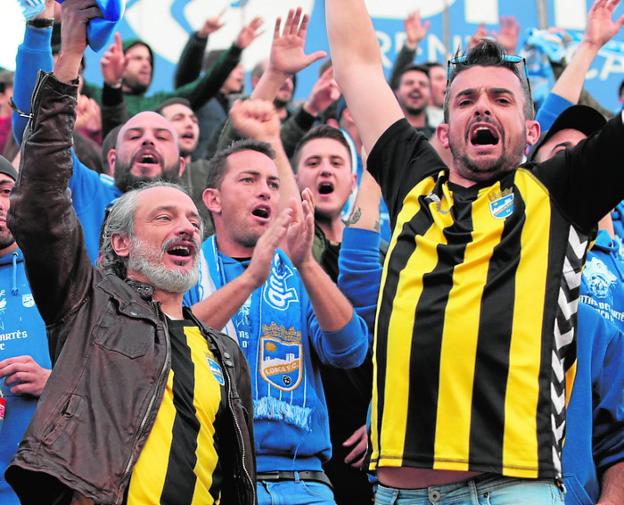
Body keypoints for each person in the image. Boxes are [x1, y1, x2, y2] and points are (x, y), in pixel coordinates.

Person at [326, 0, 624, 503]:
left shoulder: (559, 193)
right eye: (465, 100)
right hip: (398, 495)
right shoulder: (412, 178)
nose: (482, 105)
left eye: (501, 99)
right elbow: (356, 61)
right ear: (443, 132)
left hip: (512, 489)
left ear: (533, 133)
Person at [5, 4, 255, 504]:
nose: (185, 224)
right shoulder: (89, 310)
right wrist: (69, 43)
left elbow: (233, 476)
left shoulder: (225, 356)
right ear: (119, 242)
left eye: (191, 219)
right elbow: (39, 200)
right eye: (163, 217)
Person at [185, 98, 369, 505]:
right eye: (249, 180)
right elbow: (174, 346)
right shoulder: (187, 270)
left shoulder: (298, 271)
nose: (265, 191)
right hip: (215, 481)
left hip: (304, 483)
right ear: (212, 199)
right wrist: (250, 280)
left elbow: (350, 351)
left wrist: (305, 264)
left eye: (272, 183)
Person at [528, 103, 624, 504]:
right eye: (561, 151)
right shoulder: (492, 257)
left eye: (588, 151)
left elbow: (617, 431)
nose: (577, 160)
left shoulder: (615, 268)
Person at [0, 158, 51, 505]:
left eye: (6, 191)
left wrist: (53, 381)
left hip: (46, 486)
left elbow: (113, 372)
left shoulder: (58, 273)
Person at [155, 97, 212, 233]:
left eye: (194, 120)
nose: (189, 124)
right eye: (178, 118)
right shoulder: (145, 176)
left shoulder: (209, 169)